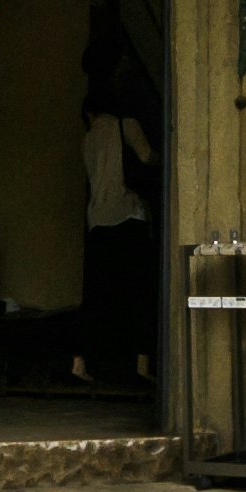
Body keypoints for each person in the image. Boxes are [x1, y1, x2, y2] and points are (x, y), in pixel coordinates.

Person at [73, 77, 158, 390]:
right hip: (128, 215)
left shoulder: (88, 138)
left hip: (98, 220)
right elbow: (147, 157)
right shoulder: (127, 125)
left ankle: (80, 362)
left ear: (90, 113)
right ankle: (141, 364)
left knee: (95, 294)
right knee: (138, 291)